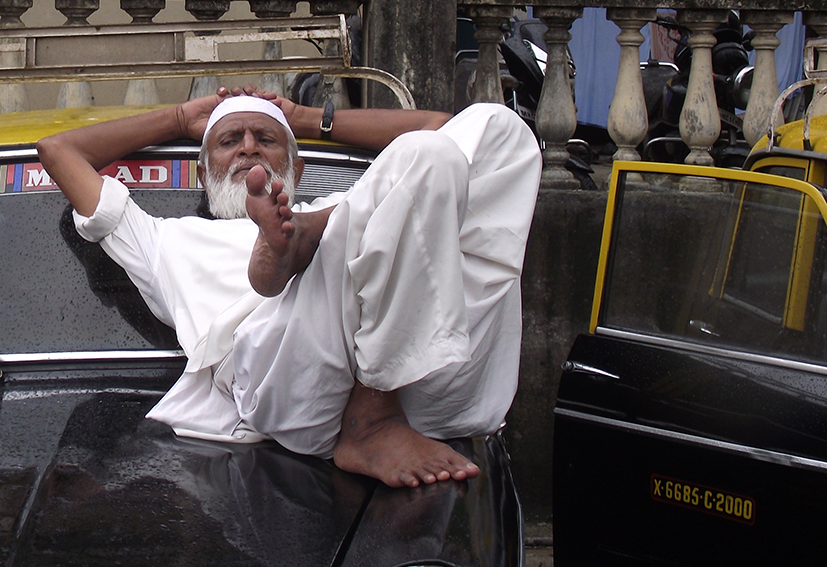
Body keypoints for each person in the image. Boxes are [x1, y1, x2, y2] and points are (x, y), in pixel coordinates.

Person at [37, 88, 541, 489]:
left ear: (295, 169)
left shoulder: (361, 201)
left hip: (420, 384)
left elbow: (441, 130)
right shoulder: (166, 239)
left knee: (501, 130)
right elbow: (60, 150)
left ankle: (308, 241)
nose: (249, 146)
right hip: (290, 385)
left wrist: (304, 117)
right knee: (380, 201)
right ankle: (365, 412)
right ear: (202, 173)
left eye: (266, 138)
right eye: (229, 140)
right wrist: (179, 118)